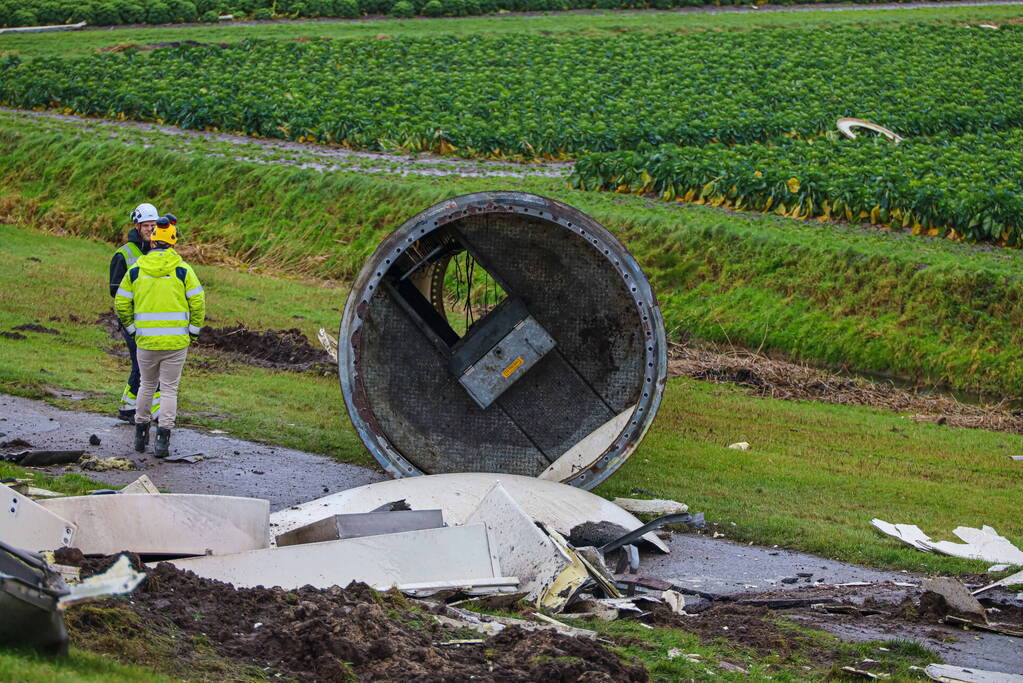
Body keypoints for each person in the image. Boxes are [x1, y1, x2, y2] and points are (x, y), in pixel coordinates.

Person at [114, 215, 205, 457]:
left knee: (145, 385)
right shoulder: (184, 271)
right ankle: (163, 441)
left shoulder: (136, 270)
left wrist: (132, 329)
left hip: (146, 342)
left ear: (153, 242)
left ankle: (140, 435)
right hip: (176, 343)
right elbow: (198, 301)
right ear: (173, 244)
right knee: (169, 391)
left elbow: (121, 302)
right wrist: (193, 331)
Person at [109, 204, 161, 423]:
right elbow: (115, 290)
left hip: (153, 319)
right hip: (132, 319)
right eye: (147, 225)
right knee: (143, 364)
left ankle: (129, 405)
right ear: (137, 226)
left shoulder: (160, 250)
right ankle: (155, 412)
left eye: (154, 225)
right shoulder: (123, 254)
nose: (150, 229)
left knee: (146, 364)